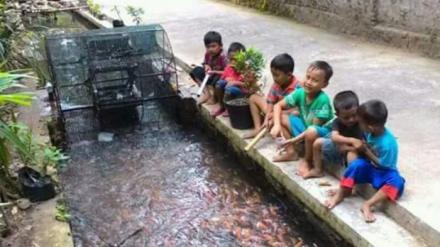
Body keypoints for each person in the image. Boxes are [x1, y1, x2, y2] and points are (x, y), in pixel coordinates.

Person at [325, 100, 405, 223]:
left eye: (360, 123)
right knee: (356, 165)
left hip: (384, 171)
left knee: (397, 181)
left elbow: (383, 165)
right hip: (370, 168)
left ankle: (368, 204)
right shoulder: (370, 132)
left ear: (370, 127)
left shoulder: (388, 144)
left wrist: (366, 151)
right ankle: (341, 193)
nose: (358, 124)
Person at [270, 61, 334, 164]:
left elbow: (312, 129)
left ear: (324, 84)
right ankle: (291, 153)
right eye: (308, 77)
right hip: (305, 129)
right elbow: (278, 105)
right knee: (279, 116)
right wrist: (276, 125)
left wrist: (293, 140)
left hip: (318, 135)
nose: (308, 82)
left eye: (315, 80)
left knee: (311, 131)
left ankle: (307, 161)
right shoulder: (300, 92)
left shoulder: (323, 100)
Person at [302, 90, 363, 179]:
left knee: (351, 155)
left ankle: (351, 183)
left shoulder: (361, 124)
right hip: (340, 146)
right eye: (346, 117)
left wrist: (347, 148)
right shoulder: (337, 122)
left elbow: (362, 146)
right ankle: (318, 170)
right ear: (337, 115)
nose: (351, 120)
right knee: (317, 143)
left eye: (354, 115)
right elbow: (334, 137)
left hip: (353, 150)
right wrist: (351, 140)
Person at [242, 53, 300, 139]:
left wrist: (275, 114)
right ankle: (258, 129)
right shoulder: (276, 84)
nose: (274, 78)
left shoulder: (298, 88)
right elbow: (270, 101)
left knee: (284, 117)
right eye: (273, 75)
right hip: (274, 111)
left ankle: (286, 140)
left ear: (289, 75)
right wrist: (267, 118)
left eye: (277, 75)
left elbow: (298, 110)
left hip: (287, 115)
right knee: (253, 98)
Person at [190, 31, 227, 105]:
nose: (210, 49)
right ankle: (206, 93)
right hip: (210, 75)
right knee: (195, 71)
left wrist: (214, 72)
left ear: (221, 46)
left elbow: (227, 72)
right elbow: (205, 63)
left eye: (213, 46)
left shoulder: (224, 56)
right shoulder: (208, 54)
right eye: (208, 47)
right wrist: (206, 66)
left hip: (220, 77)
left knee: (217, 79)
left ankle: (215, 97)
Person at [211, 42, 246, 117]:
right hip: (227, 94)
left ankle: (229, 108)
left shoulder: (245, 70)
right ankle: (221, 105)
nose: (233, 62)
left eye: (235, 60)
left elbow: (249, 86)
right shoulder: (228, 68)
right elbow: (220, 82)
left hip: (240, 95)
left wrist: (236, 82)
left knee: (230, 88)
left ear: (242, 59)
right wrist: (226, 80)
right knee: (219, 84)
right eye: (231, 59)